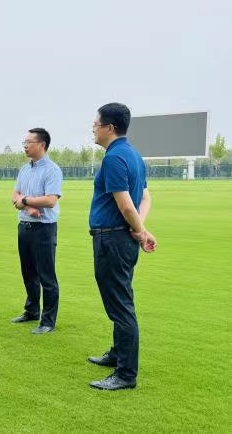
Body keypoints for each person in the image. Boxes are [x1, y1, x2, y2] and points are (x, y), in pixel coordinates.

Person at [87, 102, 157, 391]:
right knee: (120, 299)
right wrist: (141, 230)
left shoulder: (114, 158)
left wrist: (139, 230)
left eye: (96, 124)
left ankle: (126, 374)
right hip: (121, 238)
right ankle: (117, 354)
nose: (93, 128)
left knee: (120, 306)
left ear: (110, 128)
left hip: (113, 239)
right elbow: (146, 197)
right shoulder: (134, 155)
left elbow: (127, 205)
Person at [11, 128, 63, 335]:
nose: (25, 146)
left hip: (44, 229)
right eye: (24, 142)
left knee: (46, 276)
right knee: (28, 272)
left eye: (29, 142)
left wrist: (25, 201)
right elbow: (15, 194)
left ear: (42, 145)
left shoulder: (52, 170)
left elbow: (50, 200)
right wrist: (28, 207)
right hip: (25, 227)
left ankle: (48, 320)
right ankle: (32, 310)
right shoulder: (25, 169)